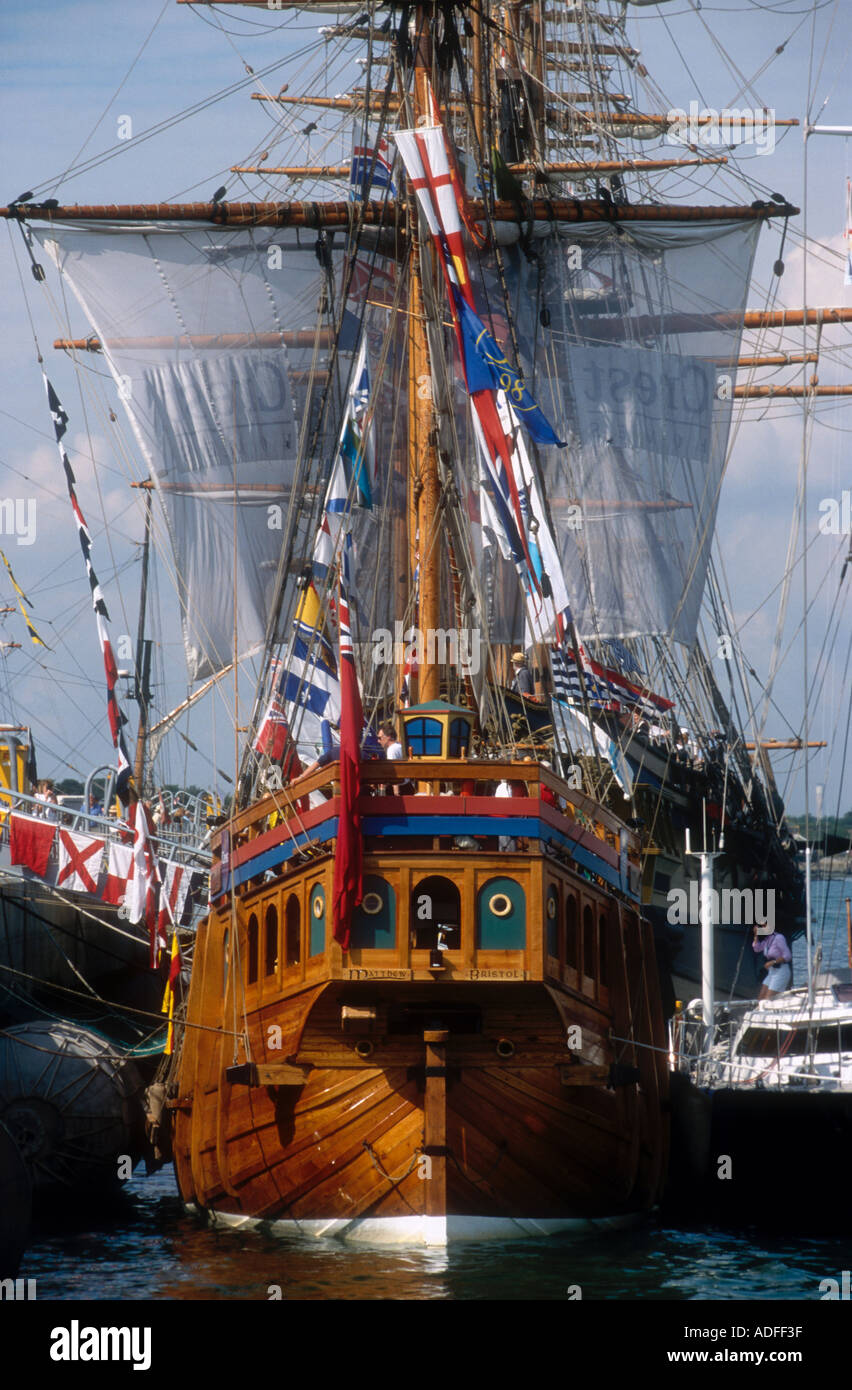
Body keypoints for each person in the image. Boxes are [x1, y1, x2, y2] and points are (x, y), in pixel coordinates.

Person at [752, 921, 792, 999]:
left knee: (768, 999)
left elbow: (787, 955)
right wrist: (756, 935)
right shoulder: (767, 939)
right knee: (760, 998)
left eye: (765, 926)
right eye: (762, 927)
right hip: (772, 972)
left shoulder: (779, 937)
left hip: (781, 971)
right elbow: (757, 949)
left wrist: (773, 962)